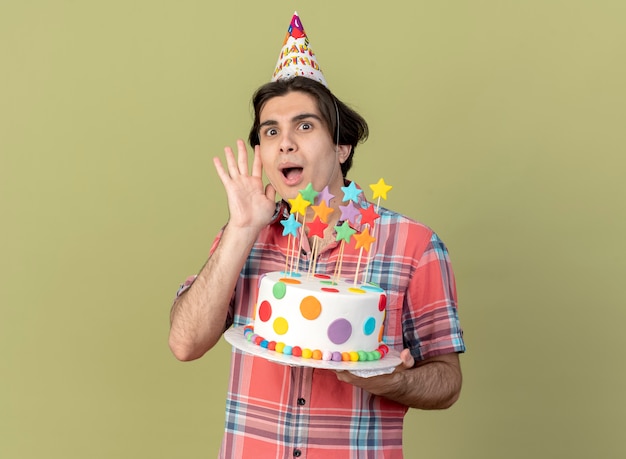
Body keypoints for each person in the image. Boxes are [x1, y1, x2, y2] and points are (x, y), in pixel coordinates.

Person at [169, 12, 465, 458]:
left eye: (304, 126)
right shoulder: (242, 238)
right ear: (263, 153)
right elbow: (185, 343)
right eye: (271, 132)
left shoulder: (415, 246)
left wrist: (396, 381)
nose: (285, 142)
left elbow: (447, 381)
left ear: (342, 147)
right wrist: (241, 228)